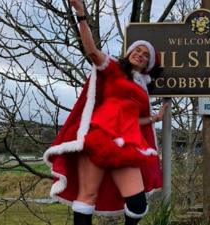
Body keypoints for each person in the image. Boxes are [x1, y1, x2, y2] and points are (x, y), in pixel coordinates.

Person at [43, 0, 167, 225]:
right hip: (99, 138)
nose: (139, 54)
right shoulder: (114, 70)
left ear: (148, 65)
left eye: (145, 54)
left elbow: (130, 119)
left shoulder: (141, 89)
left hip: (126, 144)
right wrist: (81, 15)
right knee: (87, 196)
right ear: (129, 53)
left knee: (138, 203)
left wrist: (154, 118)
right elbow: (91, 50)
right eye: (137, 50)